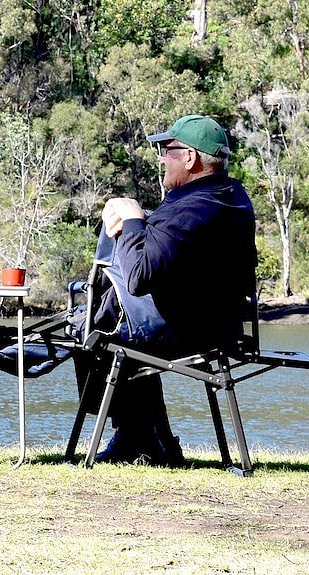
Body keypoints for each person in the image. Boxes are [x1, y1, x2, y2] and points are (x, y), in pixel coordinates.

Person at [78, 114, 257, 466]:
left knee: (93, 331)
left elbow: (139, 276)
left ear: (189, 158)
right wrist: (141, 220)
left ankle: (138, 439)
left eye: (167, 149)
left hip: (190, 330)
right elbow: (173, 250)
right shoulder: (228, 195)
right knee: (100, 319)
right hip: (213, 323)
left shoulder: (196, 208)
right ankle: (147, 439)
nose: (161, 157)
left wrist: (131, 220)